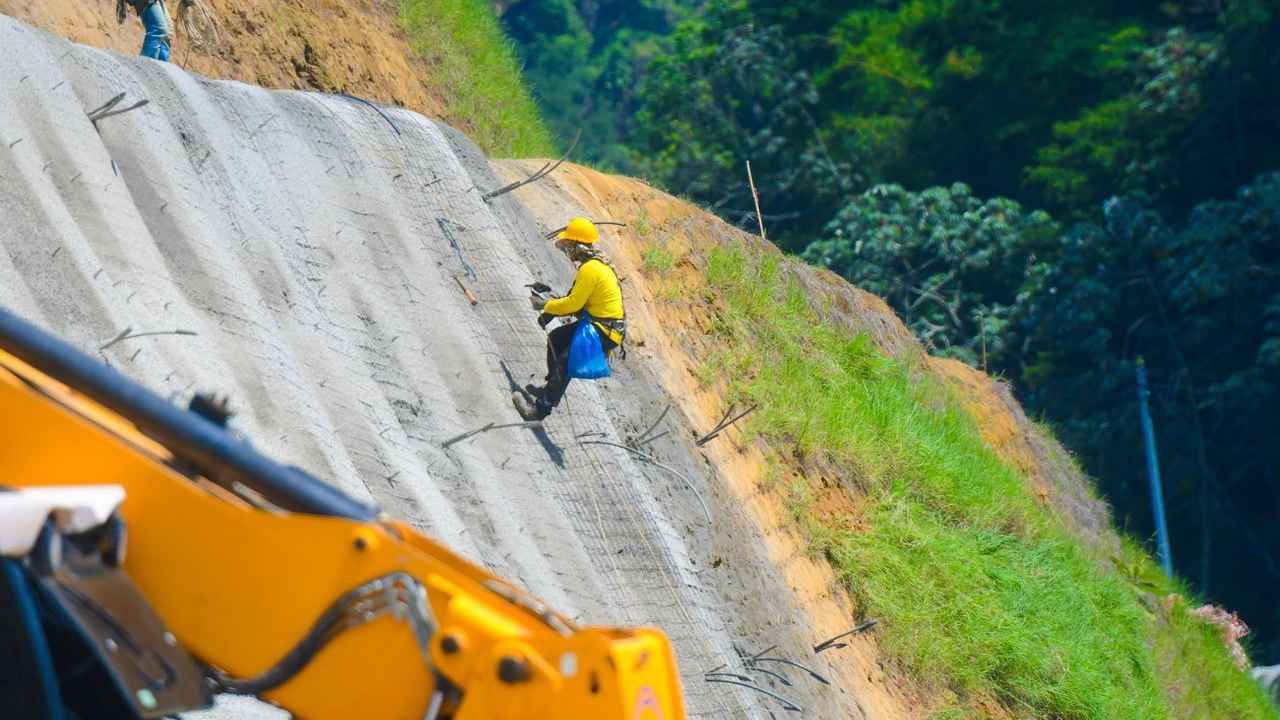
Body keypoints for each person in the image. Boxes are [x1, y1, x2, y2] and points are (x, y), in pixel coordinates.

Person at [514, 217, 626, 420]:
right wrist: (551, 313)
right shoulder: (594, 266)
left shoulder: (590, 269)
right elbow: (577, 301)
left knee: (564, 363)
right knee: (556, 339)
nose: (565, 249)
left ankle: (539, 410)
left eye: (567, 244)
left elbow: (574, 304)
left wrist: (545, 305)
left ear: (577, 245)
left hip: (604, 330)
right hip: (599, 325)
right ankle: (550, 389)